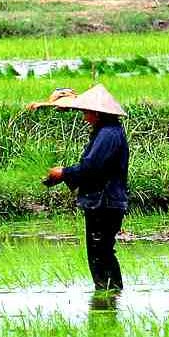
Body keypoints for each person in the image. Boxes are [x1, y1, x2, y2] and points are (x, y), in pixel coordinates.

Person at [36, 84, 129, 291]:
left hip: (104, 202)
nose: (84, 117)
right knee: (102, 251)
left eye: (86, 112)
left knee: (100, 253)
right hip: (105, 201)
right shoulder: (107, 130)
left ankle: (108, 296)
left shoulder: (108, 135)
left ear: (96, 113)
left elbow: (91, 168)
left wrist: (63, 173)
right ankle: (110, 295)